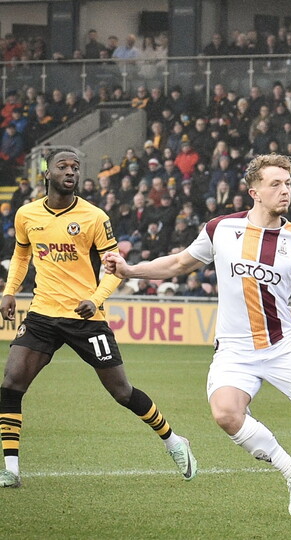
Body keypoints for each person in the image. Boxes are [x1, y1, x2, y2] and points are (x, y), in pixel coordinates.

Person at [102, 154, 291, 519]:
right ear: (253, 191)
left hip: (283, 346)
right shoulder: (220, 229)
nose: (284, 191)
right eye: (275, 184)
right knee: (226, 413)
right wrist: (129, 269)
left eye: (288, 184)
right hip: (235, 349)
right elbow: (179, 263)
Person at [0, 150, 197, 489]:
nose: (70, 172)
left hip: (85, 317)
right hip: (43, 314)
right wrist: (10, 291)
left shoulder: (93, 217)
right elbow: (21, 255)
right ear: (47, 173)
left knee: (121, 392)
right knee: (11, 383)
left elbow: (114, 268)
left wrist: (95, 299)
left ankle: (174, 441)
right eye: (62, 167)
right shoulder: (26, 214)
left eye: (75, 167)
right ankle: (11, 469)